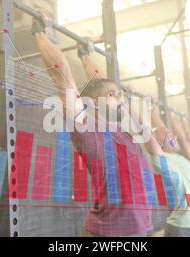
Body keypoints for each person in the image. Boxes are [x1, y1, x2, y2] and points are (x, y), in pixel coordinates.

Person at [31, 14, 160, 237]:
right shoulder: (86, 126)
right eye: (114, 95)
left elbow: (99, 84)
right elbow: (61, 74)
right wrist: (39, 30)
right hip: (109, 232)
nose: (120, 99)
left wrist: (85, 55)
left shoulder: (122, 130)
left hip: (137, 229)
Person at [147, 108, 190, 237]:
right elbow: (154, 135)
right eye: (169, 136)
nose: (174, 136)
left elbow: (166, 131)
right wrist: (172, 116)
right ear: (160, 145)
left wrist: (152, 110)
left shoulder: (184, 158)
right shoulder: (163, 159)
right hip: (186, 221)